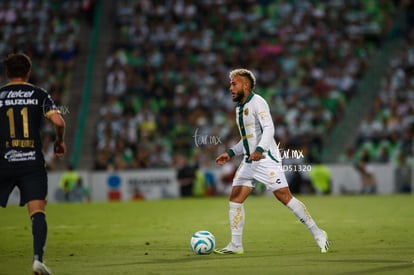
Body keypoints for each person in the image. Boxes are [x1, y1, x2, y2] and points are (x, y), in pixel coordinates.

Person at [214, 69, 329, 254]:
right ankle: (236, 245)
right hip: (249, 160)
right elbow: (247, 139)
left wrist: (260, 150)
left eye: (234, 84)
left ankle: (318, 233)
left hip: (266, 158)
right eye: (230, 84)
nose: (230, 88)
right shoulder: (239, 108)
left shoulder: (258, 102)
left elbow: (269, 128)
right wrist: (230, 152)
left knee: (284, 197)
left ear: (245, 85)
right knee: (235, 199)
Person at [0, 53, 66, 274]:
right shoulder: (38, 94)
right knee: (38, 213)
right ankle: (38, 260)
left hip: (3, 161)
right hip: (31, 163)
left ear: (7, 73)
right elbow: (59, 120)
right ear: (28, 72)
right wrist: (60, 141)